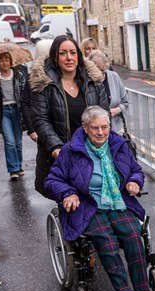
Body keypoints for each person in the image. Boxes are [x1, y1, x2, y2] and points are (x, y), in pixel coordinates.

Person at [43, 106, 155, 291]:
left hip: (118, 203)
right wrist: (68, 193)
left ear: (110, 126)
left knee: (133, 236)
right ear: (85, 128)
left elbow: (135, 170)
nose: (101, 132)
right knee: (106, 243)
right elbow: (52, 180)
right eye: (95, 128)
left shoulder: (119, 145)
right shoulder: (71, 151)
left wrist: (134, 182)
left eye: (105, 127)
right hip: (88, 206)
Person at [30, 35, 108, 199]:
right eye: (63, 53)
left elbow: (103, 115)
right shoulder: (44, 83)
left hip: (91, 152)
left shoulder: (93, 80)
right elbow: (41, 120)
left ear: (78, 56)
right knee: (70, 199)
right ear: (55, 57)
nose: (69, 58)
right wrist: (56, 147)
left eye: (73, 52)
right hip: (61, 153)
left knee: (96, 198)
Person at [0, 52, 29, 180]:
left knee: (18, 142)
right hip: (3, 112)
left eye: (7, 60)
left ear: (11, 61)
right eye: (1, 60)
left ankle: (19, 165)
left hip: (17, 111)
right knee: (9, 142)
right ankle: (13, 169)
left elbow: (25, 93)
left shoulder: (18, 74)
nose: (5, 63)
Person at [20, 39, 53, 144]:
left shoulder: (62, 75)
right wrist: (31, 129)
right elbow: (26, 102)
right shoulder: (33, 78)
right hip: (42, 126)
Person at [88, 50, 128, 134]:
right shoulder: (87, 81)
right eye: (96, 71)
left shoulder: (114, 76)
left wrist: (116, 110)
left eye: (102, 70)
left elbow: (125, 102)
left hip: (116, 131)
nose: (100, 74)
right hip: (95, 134)